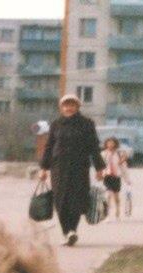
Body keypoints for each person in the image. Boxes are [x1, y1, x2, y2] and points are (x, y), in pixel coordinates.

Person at [39, 93, 105, 247]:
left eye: (72, 105)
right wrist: (43, 168)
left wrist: (99, 167)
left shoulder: (87, 124)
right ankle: (67, 232)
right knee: (60, 201)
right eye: (66, 105)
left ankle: (72, 231)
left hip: (79, 167)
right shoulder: (56, 124)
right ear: (61, 107)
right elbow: (49, 147)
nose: (68, 108)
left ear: (77, 107)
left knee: (76, 201)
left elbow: (94, 146)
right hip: (59, 168)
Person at [101, 136, 131, 221]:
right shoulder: (103, 154)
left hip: (116, 177)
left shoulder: (119, 154)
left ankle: (117, 213)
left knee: (116, 197)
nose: (110, 144)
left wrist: (127, 179)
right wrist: (100, 174)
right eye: (108, 143)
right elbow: (100, 166)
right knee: (108, 195)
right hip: (107, 176)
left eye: (112, 143)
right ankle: (107, 215)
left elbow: (123, 167)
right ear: (106, 144)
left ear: (115, 144)